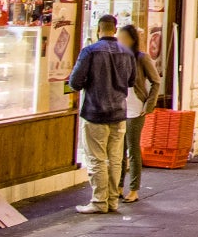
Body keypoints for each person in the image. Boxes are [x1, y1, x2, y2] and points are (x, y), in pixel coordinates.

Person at [67, 14, 135, 213]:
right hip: (119, 112)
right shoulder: (127, 53)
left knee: (97, 158)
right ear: (115, 29)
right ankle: (112, 200)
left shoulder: (89, 51)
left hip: (95, 111)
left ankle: (99, 201)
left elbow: (74, 82)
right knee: (115, 159)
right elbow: (131, 81)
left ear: (99, 29)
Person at [116, 23, 161, 204]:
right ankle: (118, 186)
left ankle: (134, 189)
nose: (120, 41)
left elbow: (156, 81)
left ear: (132, 40)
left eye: (123, 38)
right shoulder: (116, 57)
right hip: (118, 108)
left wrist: (148, 106)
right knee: (119, 151)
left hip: (135, 109)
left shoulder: (141, 58)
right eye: (118, 37)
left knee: (132, 149)